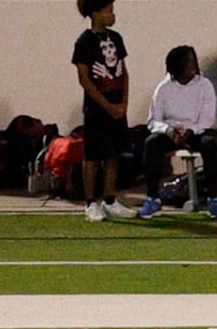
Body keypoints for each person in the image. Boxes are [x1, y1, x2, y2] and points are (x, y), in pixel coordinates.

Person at [138, 45, 217, 217]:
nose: (192, 66)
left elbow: (207, 119)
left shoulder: (204, 85)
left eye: (194, 62)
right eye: (188, 63)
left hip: (196, 131)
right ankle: (152, 198)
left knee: (209, 145)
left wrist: (190, 131)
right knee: (151, 144)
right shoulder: (163, 88)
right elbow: (154, 120)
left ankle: (213, 199)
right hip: (171, 132)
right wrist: (168, 130)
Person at [71, 0, 130, 218]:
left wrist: (123, 103)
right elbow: (84, 79)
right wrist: (106, 105)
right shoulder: (84, 42)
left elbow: (124, 73)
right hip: (96, 109)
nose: (113, 15)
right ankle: (90, 203)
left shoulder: (116, 38)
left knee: (113, 154)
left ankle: (110, 199)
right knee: (93, 156)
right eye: (109, 11)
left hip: (116, 106)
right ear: (96, 14)